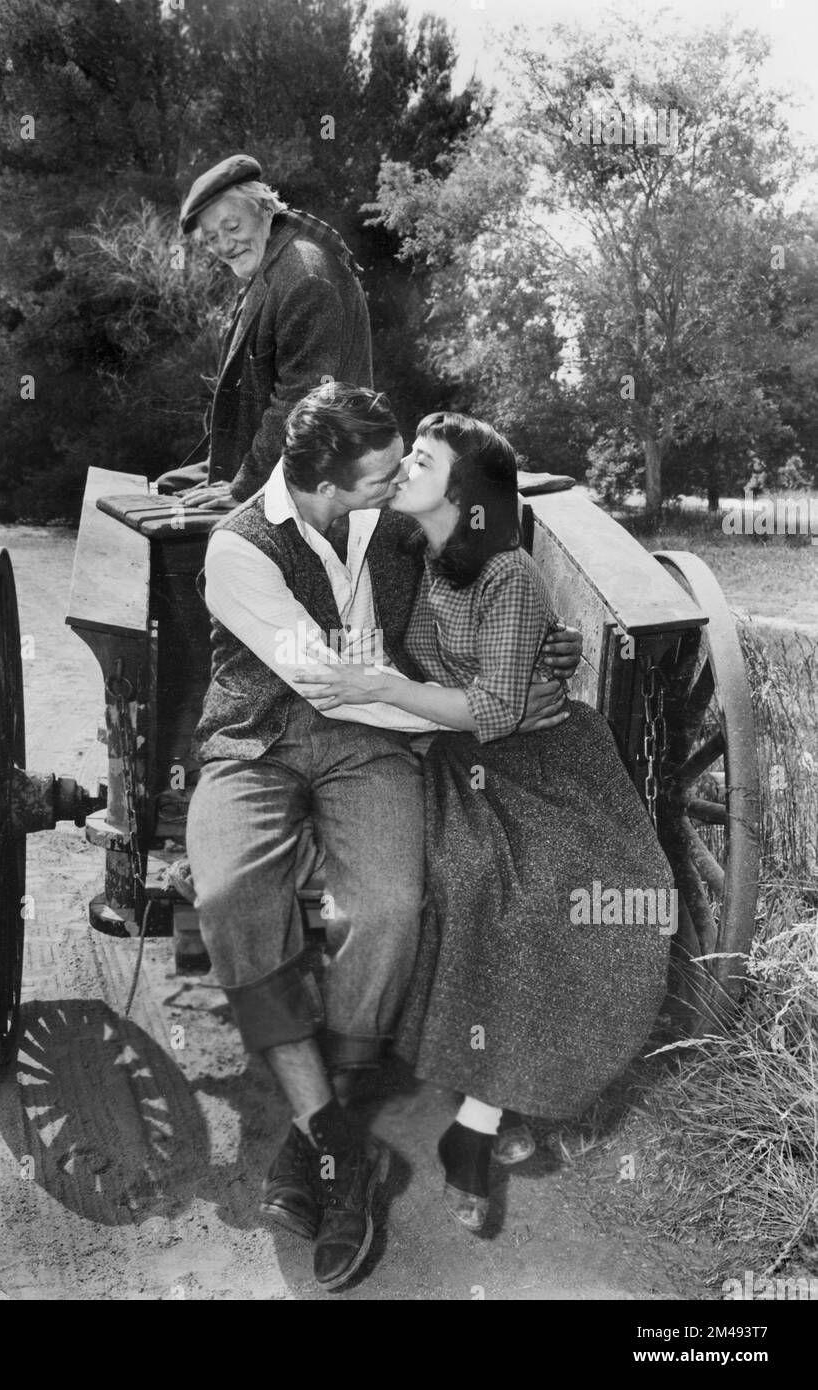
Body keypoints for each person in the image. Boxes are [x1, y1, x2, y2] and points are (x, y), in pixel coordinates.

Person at [184, 384, 582, 1288]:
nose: (399, 480)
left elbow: (482, 578)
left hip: (370, 745)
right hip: (257, 738)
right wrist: (465, 711)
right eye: (380, 475)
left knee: (389, 906)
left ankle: (322, 1129)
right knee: (227, 897)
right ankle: (336, 1144)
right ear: (324, 482)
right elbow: (322, 680)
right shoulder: (238, 550)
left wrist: (535, 651)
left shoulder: (394, 523)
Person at [295, 412, 674, 1233]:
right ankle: (478, 1110)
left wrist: (387, 691)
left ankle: (487, 1118)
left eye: (422, 462)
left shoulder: (506, 576)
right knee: (460, 878)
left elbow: (500, 708)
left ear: (462, 495)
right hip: (450, 758)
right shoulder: (399, 552)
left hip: (542, 765)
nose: (403, 472)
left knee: (568, 894)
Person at [154, 153, 373, 509]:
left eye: (232, 227)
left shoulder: (305, 276)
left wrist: (243, 489)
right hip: (282, 466)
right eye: (211, 238)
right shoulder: (274, 260)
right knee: (167, 487)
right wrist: (221, 468)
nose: (224, 245)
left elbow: (300, 405)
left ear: (265, 209)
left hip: (324, 486)